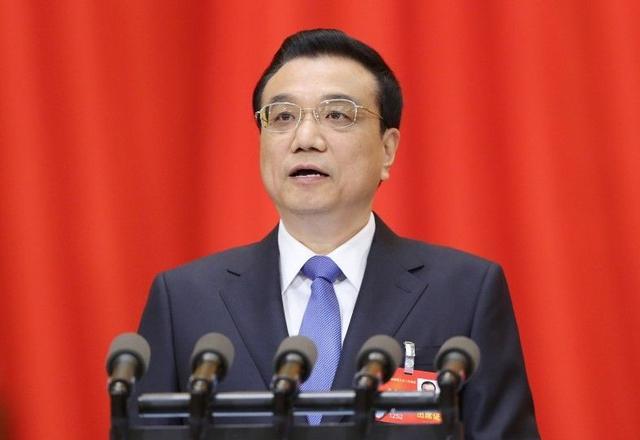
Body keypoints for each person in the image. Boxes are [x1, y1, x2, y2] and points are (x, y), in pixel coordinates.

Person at [132, 29, 540, 438]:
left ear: (388, 149)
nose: (305, 139)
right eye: (283, 117)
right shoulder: (184, 301)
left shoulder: (464, 293)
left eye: (337, 115)